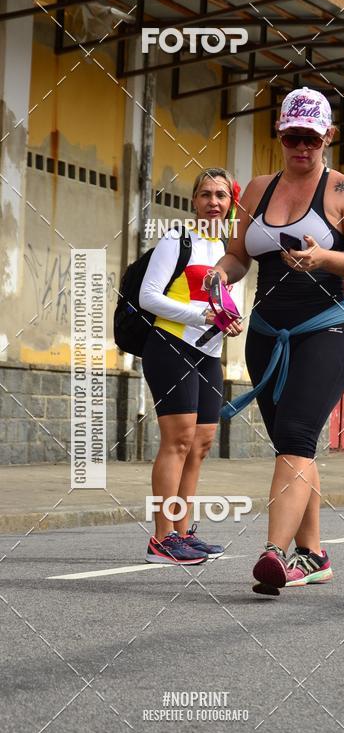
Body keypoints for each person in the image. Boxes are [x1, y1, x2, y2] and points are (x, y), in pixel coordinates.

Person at [205, 87, 344, 595]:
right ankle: (314, 555)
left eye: (311, 138)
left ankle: (273, 554)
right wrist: (221, 272)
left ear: (328, 136)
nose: (301, 147)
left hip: (325, 329)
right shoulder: (258, 189)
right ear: (279, 136)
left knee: (298, 437)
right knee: (293, 446)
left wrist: (325, 258)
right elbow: (239, 254)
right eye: (291, 137)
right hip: (265, 335)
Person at [139, 168, 243, 565]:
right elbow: (149, 297)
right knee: (177, 441)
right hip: (171, 346)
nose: (213, 202)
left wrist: (230, 321)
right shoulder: (178, 240)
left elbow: (223, 303)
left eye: (220, 195)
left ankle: (183, 533)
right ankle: (161, 539)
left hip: (209, 354)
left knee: (199, 446)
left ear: (230, 203)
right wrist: (201, 318)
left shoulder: (231, 253)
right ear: (194, 201)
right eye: (205, 194)